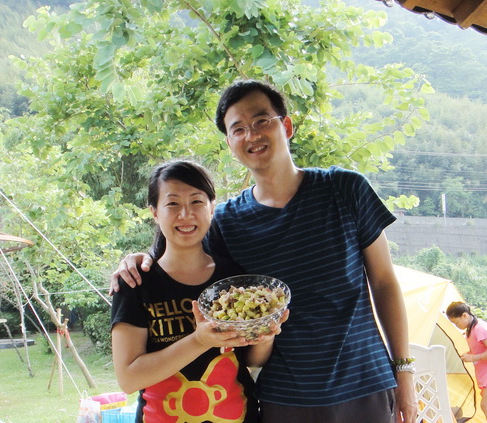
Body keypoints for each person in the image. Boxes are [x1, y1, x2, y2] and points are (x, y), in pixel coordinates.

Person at [111, 80, 417, 423]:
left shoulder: (344, 189)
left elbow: (384, 282)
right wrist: (139, 260)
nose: (252, 135)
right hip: (283, 397)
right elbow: (186, 260)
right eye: (238, 129)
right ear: (230, 144)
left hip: (365, 385)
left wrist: (403, 370)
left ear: (286, 126)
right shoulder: (226, 222)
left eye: (261, 121)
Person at [110, 160, 284, 423]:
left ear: (211, 208)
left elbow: (250, 359)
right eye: (172, 203)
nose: (185, 214)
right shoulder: (135, 282)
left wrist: (266, 335)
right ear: (154, 212)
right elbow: (129, 378)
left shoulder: (233, 280)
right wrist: (198, 341)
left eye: (196, 202)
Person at [446, 301, 487, 423]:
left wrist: (473, 358)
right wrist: (469, 354)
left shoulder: (480, 328)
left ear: (465, 315)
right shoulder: (471, 329)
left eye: (456, 322)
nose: (456, 326)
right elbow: (480, 349)